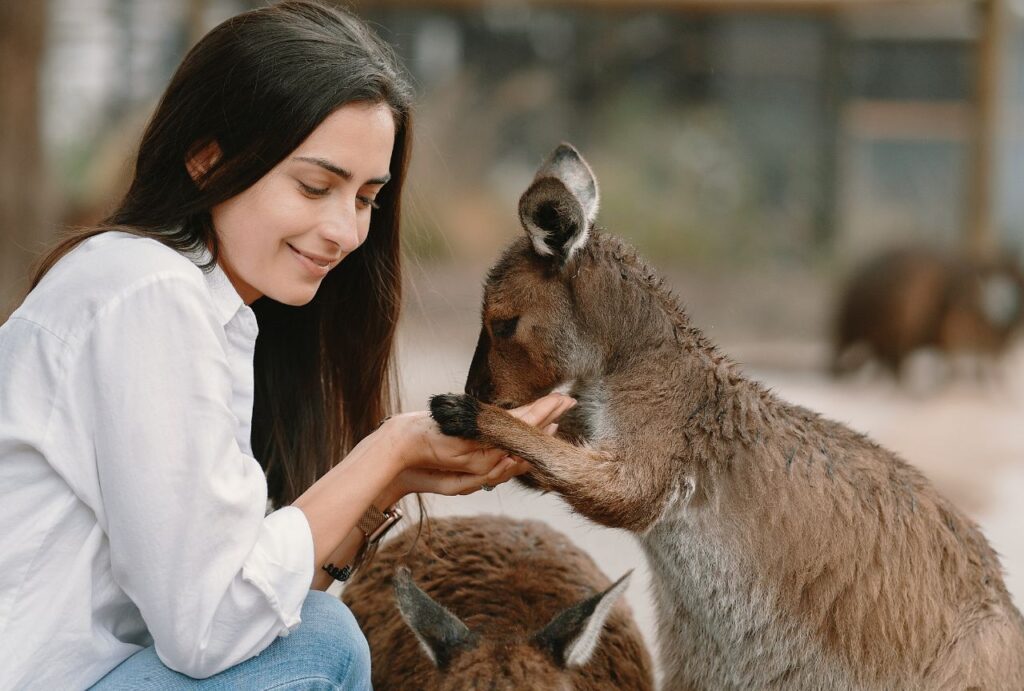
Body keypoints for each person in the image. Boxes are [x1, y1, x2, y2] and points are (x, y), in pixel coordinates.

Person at [0, 2, 575, 689]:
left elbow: (244, 611)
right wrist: (386, 450)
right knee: (324, 645)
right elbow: (211, 625)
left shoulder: (212, 311)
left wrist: (389, 479)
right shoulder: (148, 292)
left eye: (365, 197)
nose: (344, 230)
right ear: (206, 158)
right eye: (315, 186)